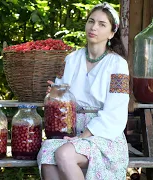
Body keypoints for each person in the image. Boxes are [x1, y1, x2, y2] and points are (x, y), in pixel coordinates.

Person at [37, 2, 129, 180]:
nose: (94, 27)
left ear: (111, 33)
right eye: (91, 21)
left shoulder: (118, 64)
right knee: (47, 154)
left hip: (103, 134)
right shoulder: (71, 59)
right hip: (69, 130)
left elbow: (115, 112)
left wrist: (83, 136)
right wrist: (55, 95)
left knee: (64, 154)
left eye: (102, 24)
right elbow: (61, 99)